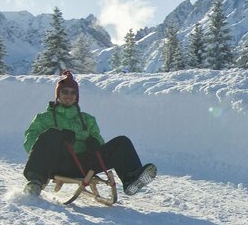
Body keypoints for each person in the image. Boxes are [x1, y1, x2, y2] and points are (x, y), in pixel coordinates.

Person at [23, 70, 156, 197]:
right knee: (52, 134)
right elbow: (30, 141)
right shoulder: (44, 118)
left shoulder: (87, 119)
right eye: (65, 92)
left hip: (84, 165)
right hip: (56, 163)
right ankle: (35, 181)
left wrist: (94, 142)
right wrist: (60, 138)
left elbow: (98, 138)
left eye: (73, 93)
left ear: (77, 96)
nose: (69, 95)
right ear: (58, 95)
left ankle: (131, 179)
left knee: (122, 141)